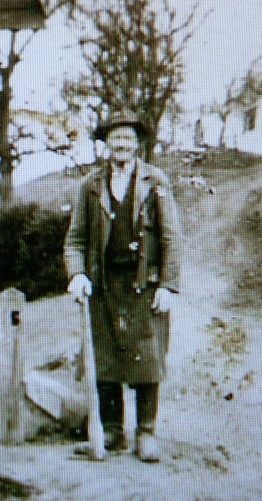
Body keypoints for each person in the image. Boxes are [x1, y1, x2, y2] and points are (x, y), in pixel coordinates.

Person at [63, 111, 181, 463]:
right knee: (104, 358)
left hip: (144, 284)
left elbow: (172, 237)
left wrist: (168, 285)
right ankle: (112, 431)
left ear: (138, 143)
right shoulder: (91, 185)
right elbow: (75, 239)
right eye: (116, 138)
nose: (122, 144)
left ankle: (146, 432)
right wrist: (77, 274)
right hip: (104, 285)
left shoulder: (155, 181)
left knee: (148, 357)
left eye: (128, 138)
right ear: (106, 143)